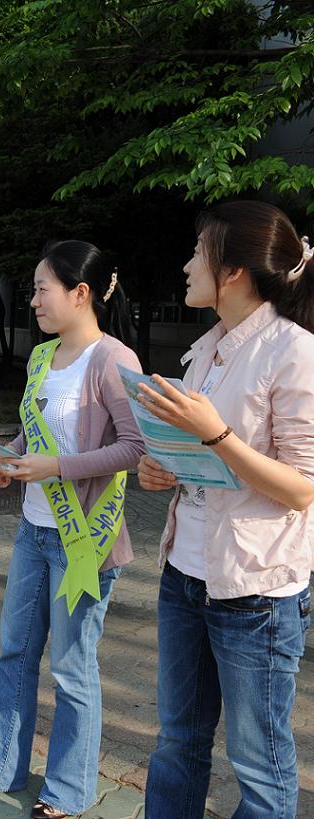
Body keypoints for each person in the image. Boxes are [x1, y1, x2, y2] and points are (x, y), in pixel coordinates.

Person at [0, 241, 144, 818]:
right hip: (33, 532)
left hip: (84, 542)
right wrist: (8, 458)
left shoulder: (114, 360)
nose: (31, 301)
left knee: (72, 669)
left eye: (41, 289)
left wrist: (52, 467)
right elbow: (32, 433)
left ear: (80, 293)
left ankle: (68, 792)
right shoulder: (41, 357)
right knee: (15, 652)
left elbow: (132, 449)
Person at [136, 201, 314, 818]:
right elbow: (208, 467)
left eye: (197, 252)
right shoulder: (208, 349)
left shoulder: (293, 351)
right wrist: (163, 468)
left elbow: (300, 488)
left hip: (255, 591)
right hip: (185, 574)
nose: (186, 266)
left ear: (233, 269)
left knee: (259, 768)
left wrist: (215, 437)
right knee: (177, 743)